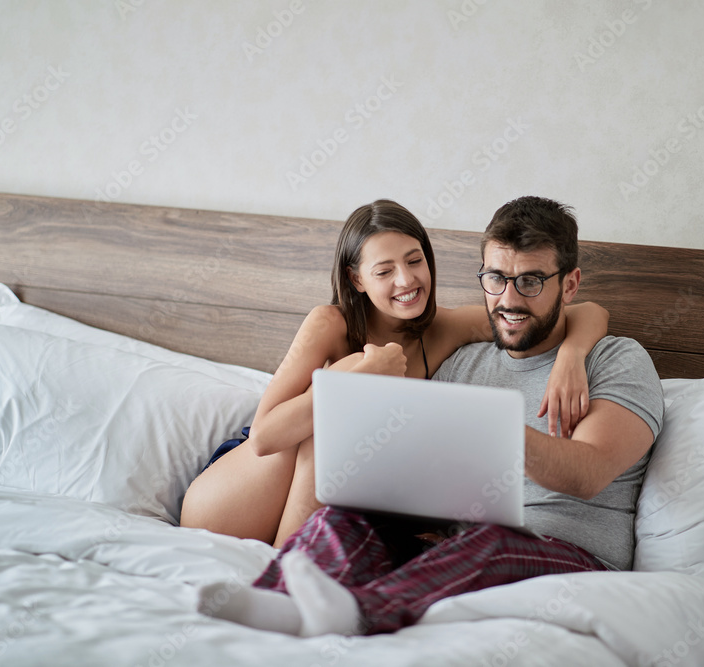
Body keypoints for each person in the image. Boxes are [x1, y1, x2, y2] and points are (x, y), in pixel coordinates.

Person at [196, 195, 665, 636]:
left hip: (566, 554)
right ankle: (281, 601)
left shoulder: (616, 360)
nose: (509, 299)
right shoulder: (463, 359)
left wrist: (560, 363)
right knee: (341, 519)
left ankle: (358, 613)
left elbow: (587, 474)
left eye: (530, 281)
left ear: (570, 284)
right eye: (496, 278)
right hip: (450, 545)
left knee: (492, 543)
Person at [180, 199, 610, 547]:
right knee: (338, 406)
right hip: (235, 493)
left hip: (324, 497)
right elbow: (263, 437)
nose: (406, 280)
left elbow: (583, 311)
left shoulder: (443, 328)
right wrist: (363, 373)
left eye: (415, 260)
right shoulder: (329, 323)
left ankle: (302, 563)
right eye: (384, 271)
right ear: (357, 280)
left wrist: (571, 358)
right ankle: (287, 566)